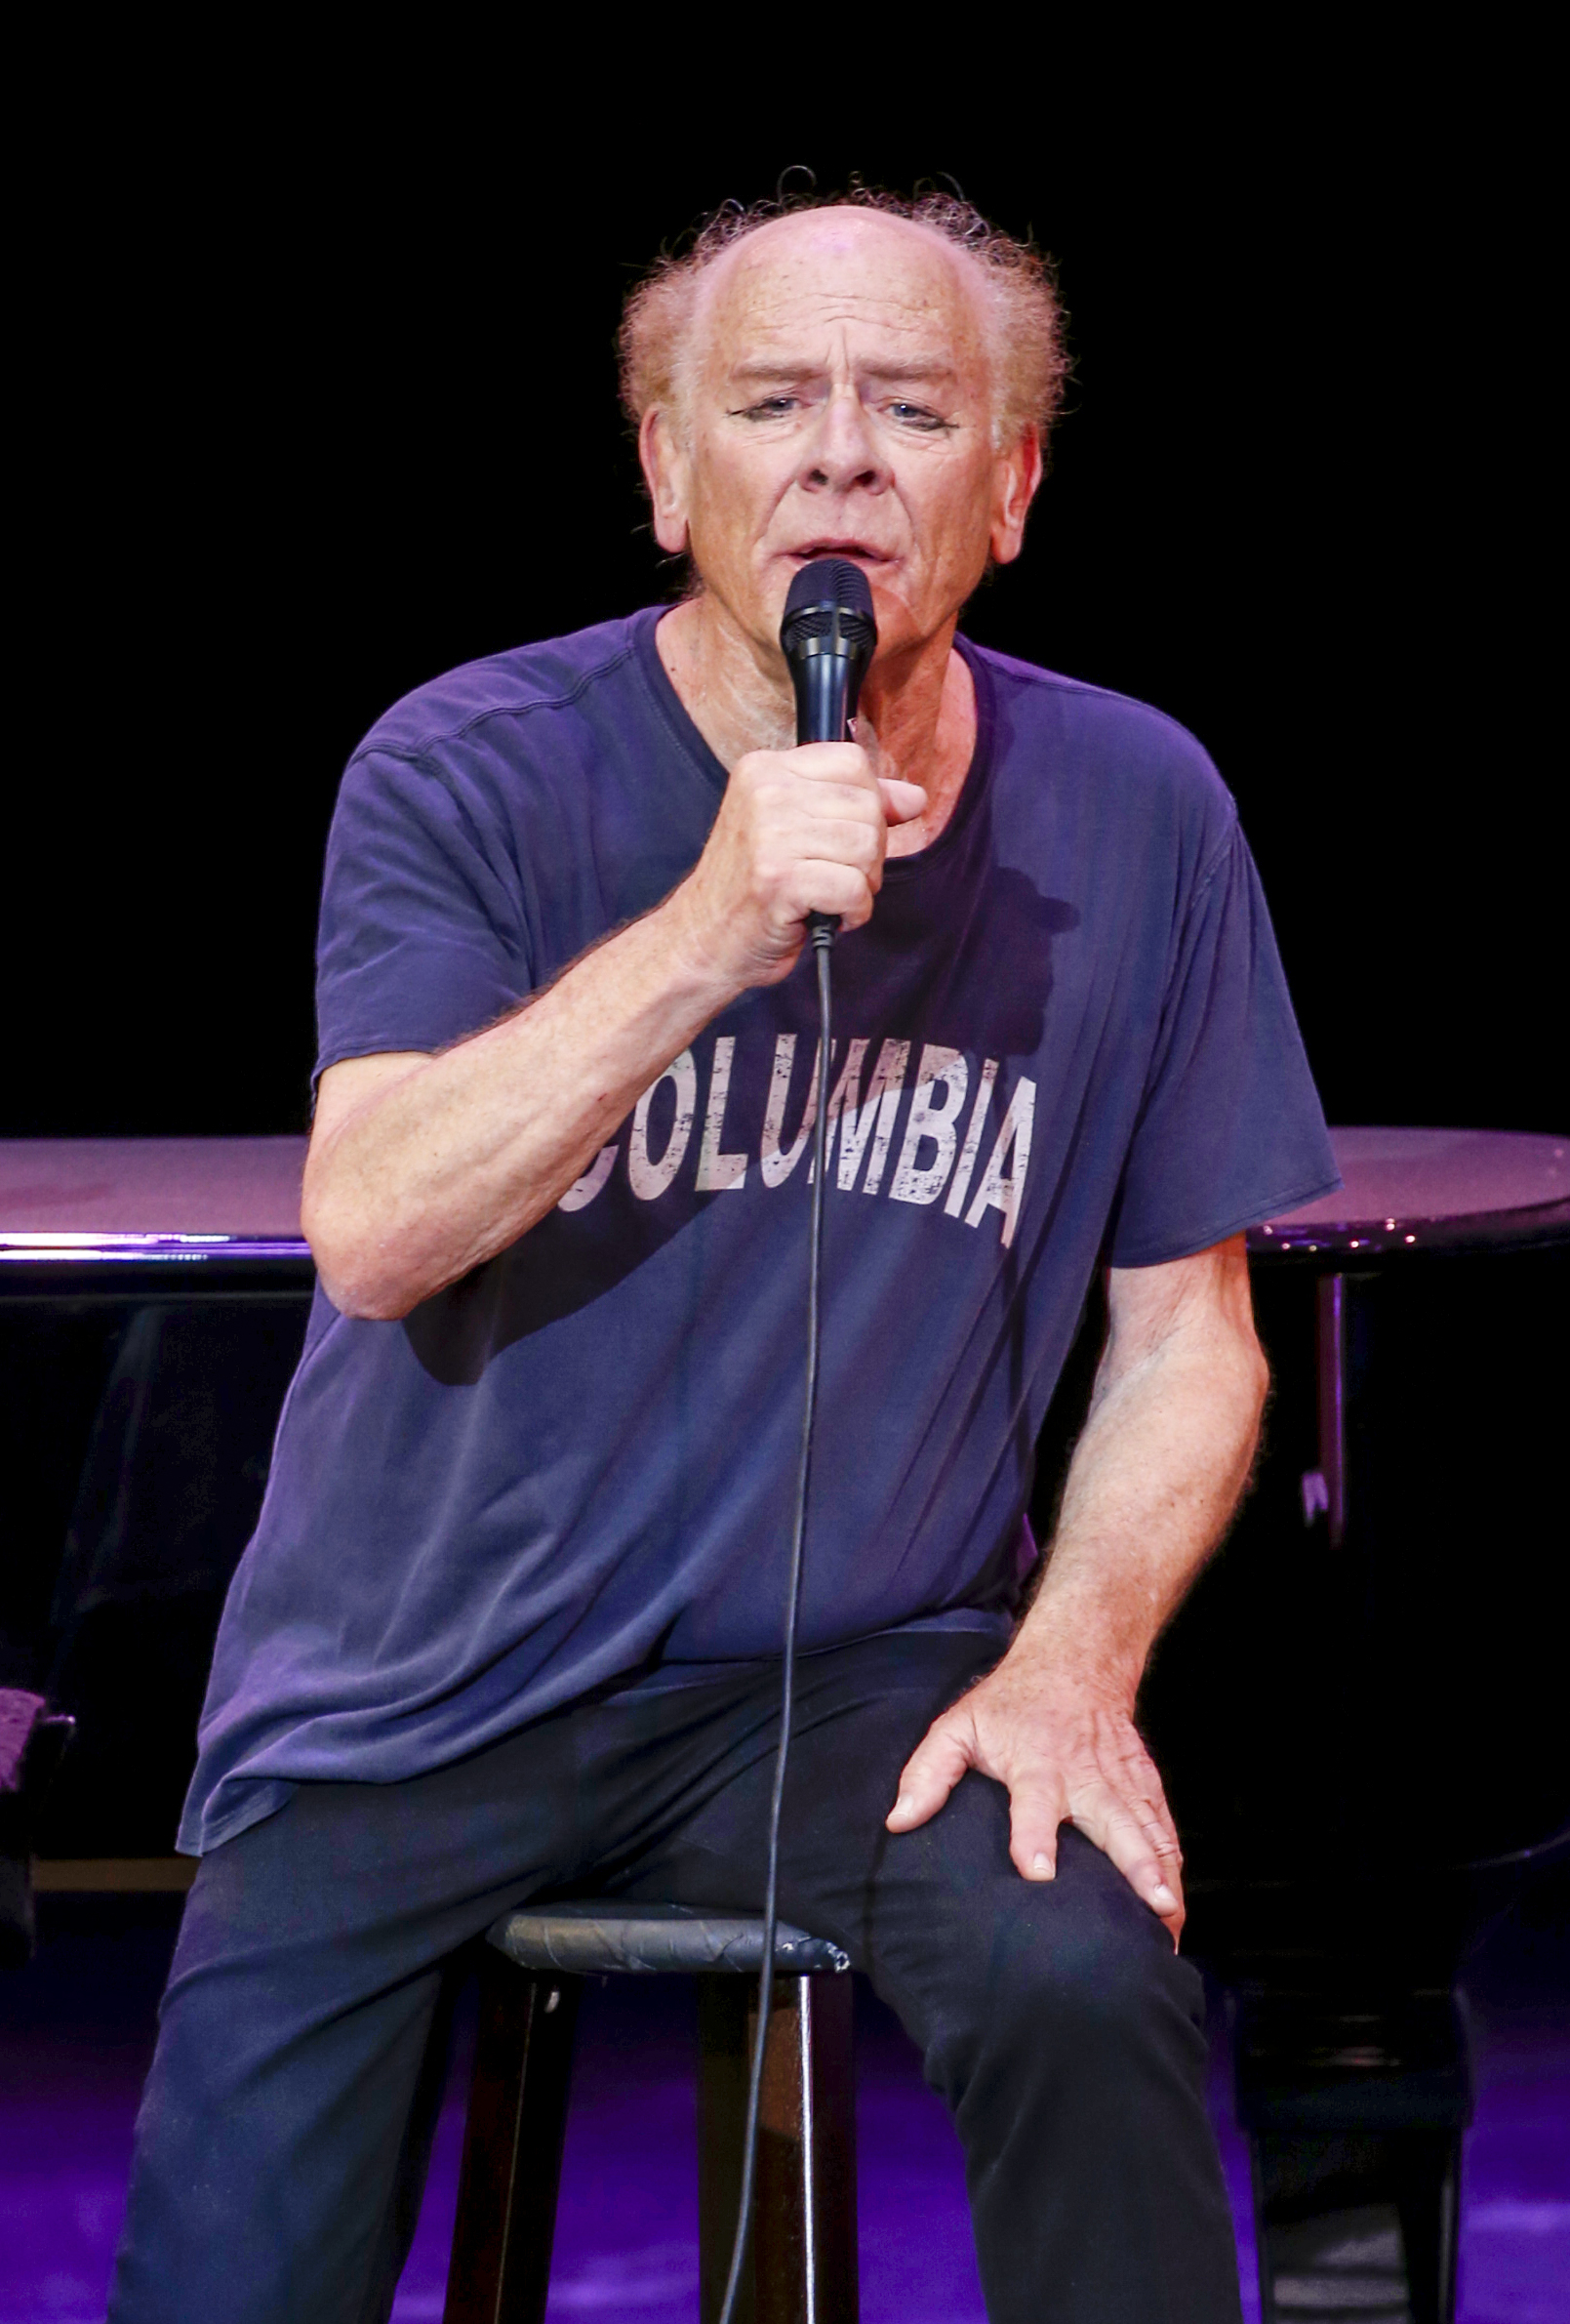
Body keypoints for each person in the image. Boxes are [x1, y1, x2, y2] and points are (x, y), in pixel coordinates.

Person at [109, 190, 1339, 2323]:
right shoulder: (468, 770)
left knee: (1081, 1960)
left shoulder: (1141, 809)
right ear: (670, 474)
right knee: (228, 2279)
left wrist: (1070, 1667)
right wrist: (708, 931)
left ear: (1013, 487)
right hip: (416, 1683)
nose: (842, 456)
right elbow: (374, 1226)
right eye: (771, 403)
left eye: (912, 408)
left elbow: (1190, 1337)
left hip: (855, 1680)